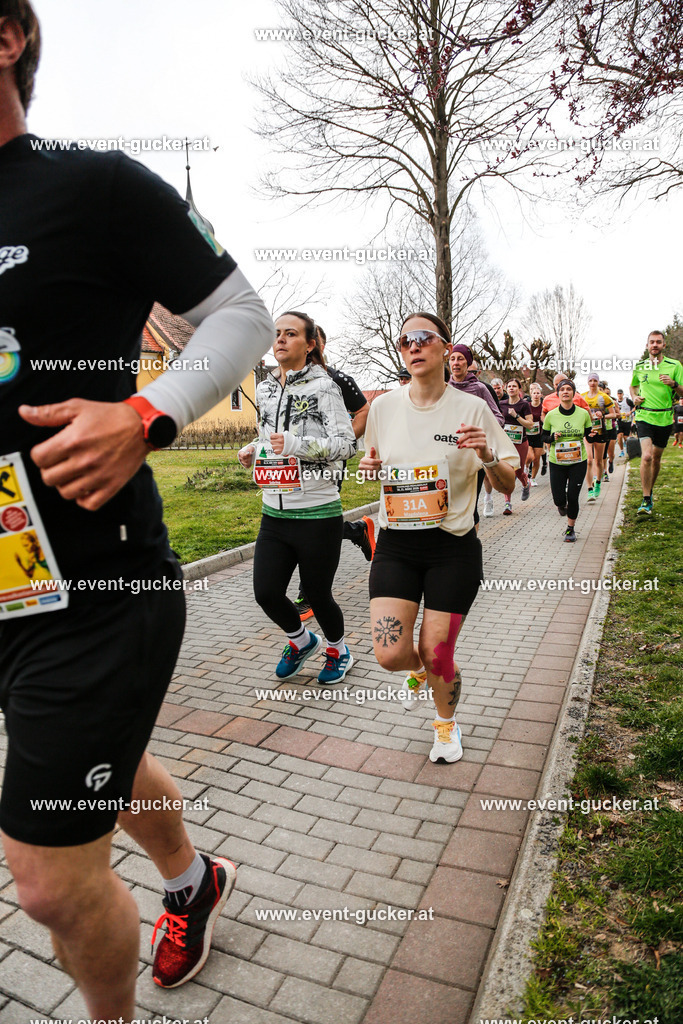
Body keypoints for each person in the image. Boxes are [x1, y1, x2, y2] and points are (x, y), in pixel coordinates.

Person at [0, 3, 275, 1012]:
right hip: (2, 589)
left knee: (46, 880)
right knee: (98, 770)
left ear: (6, 39)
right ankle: (192, 880)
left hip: (97, 589)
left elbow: (239, 313)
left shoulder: (92, 185)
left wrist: (147, 413)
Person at [359, 312, 518, 761]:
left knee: (437, 650)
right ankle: (422, 671)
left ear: (445, 348)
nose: (414, 345)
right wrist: (369, 470)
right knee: (390, 653)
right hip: (396, 545)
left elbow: (508, 484)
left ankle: (446, 726)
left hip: (452, 548)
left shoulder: (473, 409)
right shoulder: (384, 408)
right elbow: (376, 465)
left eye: (424, 337)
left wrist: (486, 453)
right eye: (405, 339)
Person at [239, 311, 357, 683]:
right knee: (266, 593)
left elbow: (346, 445)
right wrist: (252, 451)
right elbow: (268, 439)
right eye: (276, 334)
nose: (280, 340)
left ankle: (339, 651)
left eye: (291, 334)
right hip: (274, 512)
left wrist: (297, 445)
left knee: (319, 597)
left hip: (318, 512)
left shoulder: (325, 387)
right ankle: (301, 641)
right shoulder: (264, 388)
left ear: (309, 345)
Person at [294, 324, 374, 620]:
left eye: (312, 343)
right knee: (308, 523)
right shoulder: (287, 382)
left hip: (327, 464)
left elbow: (364, 411)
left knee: (313, 524)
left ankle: (309, 593)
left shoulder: (337, 379)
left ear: (318, 346)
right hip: (293, 467)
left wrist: (342, 441)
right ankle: (356, 530)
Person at [448, 344, 504, 527]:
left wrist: (479, 433)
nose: (456, 363)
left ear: (468, 362)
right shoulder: (443, 388)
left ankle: (471, 549)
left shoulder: (480, 388)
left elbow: (498, 418)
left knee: (470, 506)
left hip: (473, 455)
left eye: (460, 358)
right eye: (452, 359)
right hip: (448, 453)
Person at [630, 329, 683, 513]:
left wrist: (674, 384)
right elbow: (633, 385)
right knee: (646, 456)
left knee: (656, 459)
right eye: (652, 342)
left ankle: (649, 491)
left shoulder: (675, 365)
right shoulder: (640, 366)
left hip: (664, 418)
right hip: (644, 416)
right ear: (647, 345)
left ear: (663, 345)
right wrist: (635, 397)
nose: (655, 345)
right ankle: (645, 500)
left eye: (658, 342)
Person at [542, 379, 596, 542]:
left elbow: (589, 435)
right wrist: (552, 437)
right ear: (558, 394)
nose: (565, 392)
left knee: (573, 496)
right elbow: (543, 436)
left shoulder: (583, 414)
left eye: (568, 389)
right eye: (562, 389)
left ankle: (570, 528)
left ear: (574, 393)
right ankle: (562, 503)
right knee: (559, 499)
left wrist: (595, 436)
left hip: (577, 461)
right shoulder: (551, 415)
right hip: (557, 462)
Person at [499, 378, 534, 514]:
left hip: (520, 442)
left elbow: (530, 424)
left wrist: (516, 416)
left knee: (518, 471)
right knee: (507, 471)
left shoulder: (524, 405)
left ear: (519, 389)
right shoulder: (501, 404)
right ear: (506, 389)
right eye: (509, 386)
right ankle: (507, 503)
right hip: (506, 442)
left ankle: (526, 483)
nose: (511, 388)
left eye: (514, 386)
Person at [581, 372, 616, 502]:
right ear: (588, 382)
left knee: (598, 461)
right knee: (589, 460)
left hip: (600, 431)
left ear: (598, 382)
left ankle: (598, 482)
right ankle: (590, 489)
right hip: (588, 432)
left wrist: (603, 415)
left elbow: (614, 414)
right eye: (591, 380)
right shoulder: (582, 397)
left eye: (595, 380)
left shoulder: (604, 397)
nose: (593, 383)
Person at [525, 382, 545, 484]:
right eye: (534, 393)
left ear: (541, 395)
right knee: (530, 457)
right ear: (531, 394)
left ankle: (532, 478)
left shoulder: (543, 407)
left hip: (538, 436)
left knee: (536, 459)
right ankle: (526, 467)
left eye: (538, 393)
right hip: (527, 435)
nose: (536, 395)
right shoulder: (527, 406)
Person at [600, 382, 618, 476]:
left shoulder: (612, 402)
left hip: (611, 428)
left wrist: (604, 416)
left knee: (610, 453)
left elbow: (617, 414)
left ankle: (611, 461)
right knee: (602, 454)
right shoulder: (595, 403)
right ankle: (605, 471)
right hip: (602, 430)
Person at [615, 388, 635, 455]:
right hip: (619, 421)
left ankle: (627, 448)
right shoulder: (615, 402)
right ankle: (621, 451)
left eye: (621, 393)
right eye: (618, 394)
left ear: (623, 394)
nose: (620, 395)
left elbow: (635, 407)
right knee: (619, 436)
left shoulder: (627, 401)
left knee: (626, 437)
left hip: (627, 421)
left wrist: (630, 412)